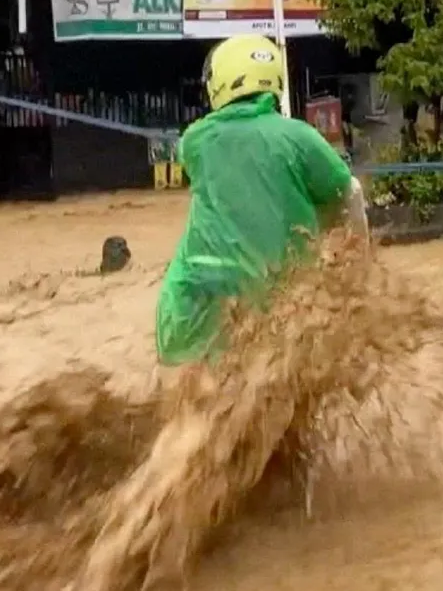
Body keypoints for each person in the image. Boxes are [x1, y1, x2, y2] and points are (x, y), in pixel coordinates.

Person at [155, 33, 369, 367]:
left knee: (191, 379)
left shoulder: (194, 140)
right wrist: (358, 263)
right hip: (283, 301)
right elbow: (348, 193)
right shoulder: (299, 136)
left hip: (195, 302)